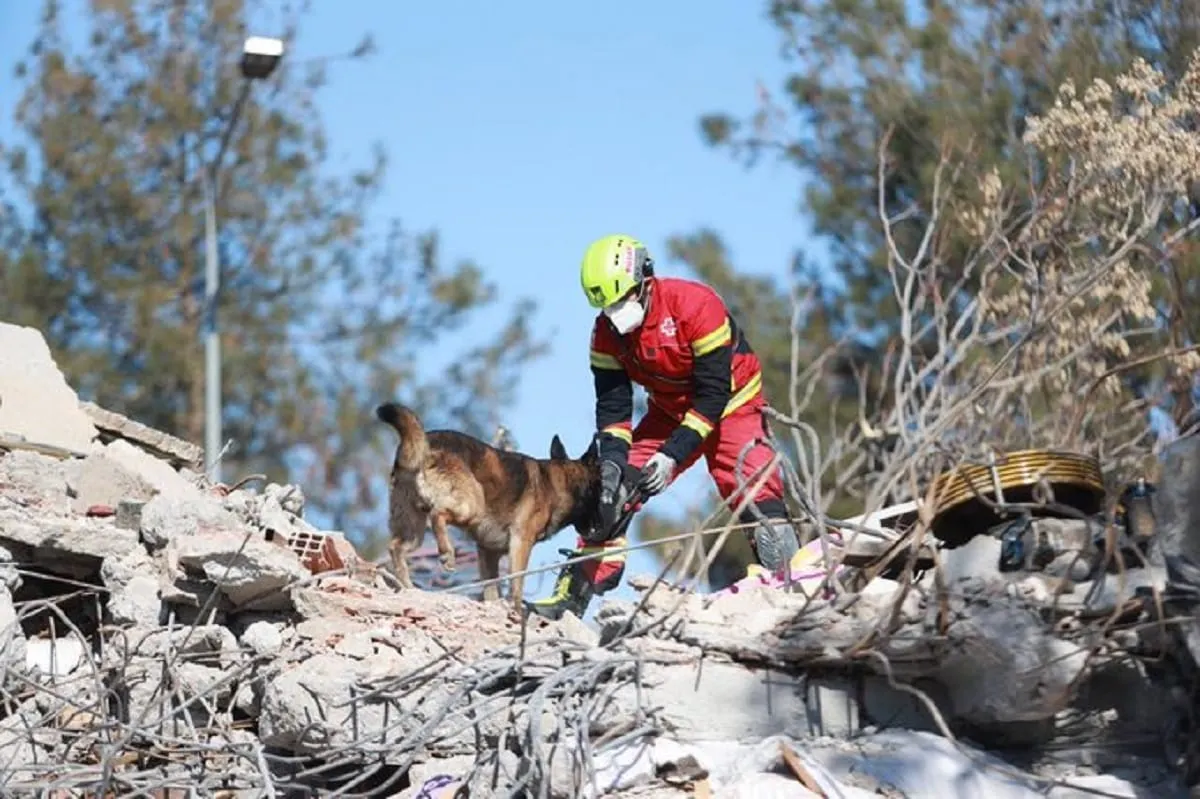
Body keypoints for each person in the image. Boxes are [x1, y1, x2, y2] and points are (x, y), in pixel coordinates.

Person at [527, 234, 800, 620]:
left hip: (733, 404)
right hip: (669, 412)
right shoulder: (605, 333)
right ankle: (574, 593)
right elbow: (613, 405)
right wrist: (614, 463)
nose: (615, 313)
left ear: (645, 281)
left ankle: (792, 587)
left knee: (754, 487)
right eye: (607, 305)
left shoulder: (696, 306)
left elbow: (712, 394)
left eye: (622, 300)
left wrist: (672, 455)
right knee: (610, 492)